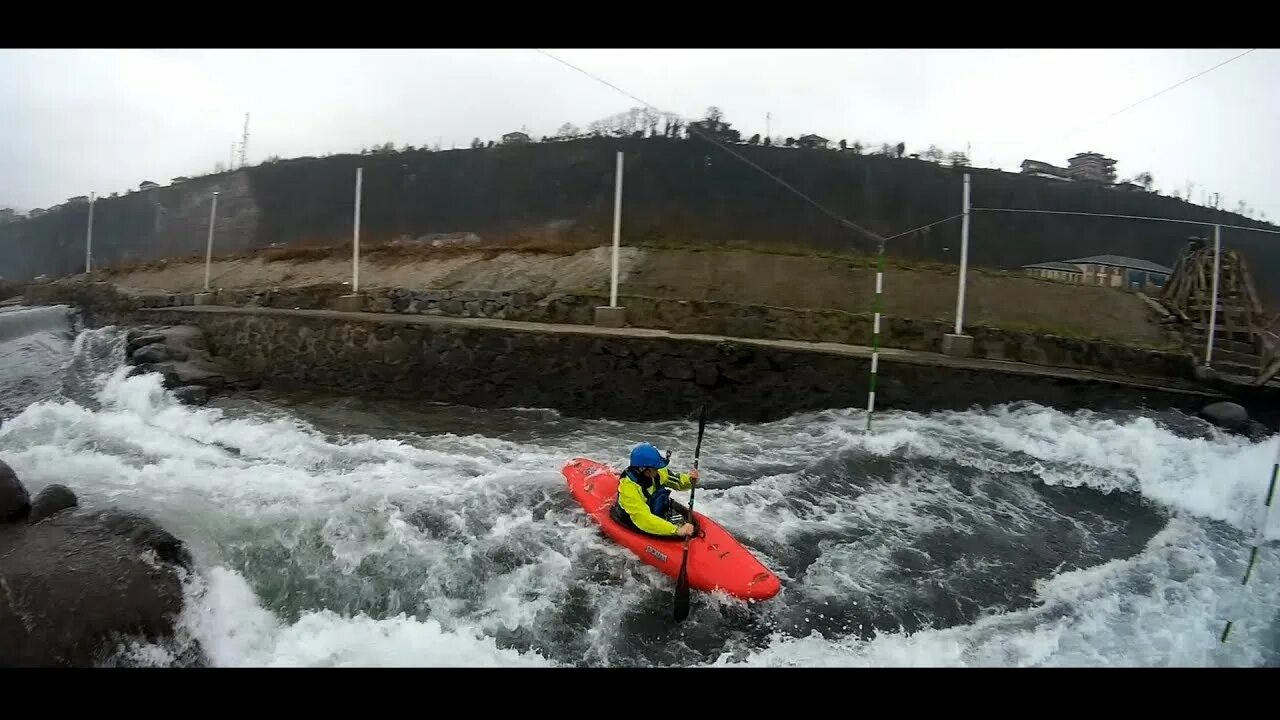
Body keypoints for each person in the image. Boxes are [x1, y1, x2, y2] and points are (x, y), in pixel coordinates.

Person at [610, 442, 699, 538]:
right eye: (655, 469)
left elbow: (677, 482)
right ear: (644, 470)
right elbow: (643, 519)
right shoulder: (629, 488)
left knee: (660, 495)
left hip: (651, 509)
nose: (658, 471)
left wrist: (690, 480)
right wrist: (677, 530)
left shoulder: (656, 473)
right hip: (633, 520)